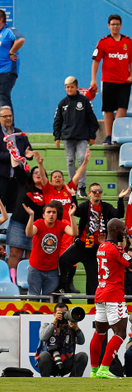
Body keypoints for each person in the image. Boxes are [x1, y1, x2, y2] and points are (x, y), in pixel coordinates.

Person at [89, 219, 132, 379]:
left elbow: (117, 258)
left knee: (99, 333)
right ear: (115, 229)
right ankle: (105, 368)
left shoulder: (102, 246)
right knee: (120, 332)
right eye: (123, 230)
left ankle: (94, 370)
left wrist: (126, 247)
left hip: (101, 293)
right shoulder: (114, 248)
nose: (124, 232)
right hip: (113, 295)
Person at [57, 183, 127, 298]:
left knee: (93, 280)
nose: (97, 193)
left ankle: (91, 305)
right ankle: (64, 285)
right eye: (94, 191)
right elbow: (76, 211)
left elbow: (118, 214)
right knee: (64, 259)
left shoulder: (106, 207)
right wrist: (73, 196)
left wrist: (120, 199)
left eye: (99, 191)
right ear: (89, 194)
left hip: (97, 248)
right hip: (82, 245)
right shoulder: (85, 206)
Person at [91, 14, 132, 145]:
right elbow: (96, 61)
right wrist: (93, 79)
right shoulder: (103, 41)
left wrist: (131, 75)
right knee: (108, 109)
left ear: (121, 25)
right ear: (108, 26)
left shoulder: (128, 41)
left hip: (124, 81)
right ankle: (109, 135)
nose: (115, 27)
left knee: (122, 108)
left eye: (117, 24)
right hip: (108, 80)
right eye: (113, 24)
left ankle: (116, 132)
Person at [53, 76, 100, 198]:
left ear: (76, 87)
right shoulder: (62, 103)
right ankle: (72, 186)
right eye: (67, 87)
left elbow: (92, 119)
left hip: (82, 137)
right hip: (68, 137)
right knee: (70, 161)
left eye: (72, 87)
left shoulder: (84, 101)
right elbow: (57, 121)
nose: (69, 89)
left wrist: (92, 136)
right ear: (65, 88)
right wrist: (57, 137)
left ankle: (82, 187)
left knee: (81, 159)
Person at [24, 202, 77, 297]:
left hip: (52, 270)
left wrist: (71, 216)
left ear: (57, 215)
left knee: (48, 300)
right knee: (33, 297)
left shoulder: (60, 225)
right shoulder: (39, 223)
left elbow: (74, 232)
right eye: (48, 212)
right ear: (43, 215)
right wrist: (31, 216)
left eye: (54, 212)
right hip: (35, 269)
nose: (51, 214)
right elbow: (29, 233)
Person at [6, 155, 44, 284]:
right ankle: (11, 281)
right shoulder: (24, 183)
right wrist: (13, 152)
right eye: (35, 172)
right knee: (15, 254)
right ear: (31, 175)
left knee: (31, 256)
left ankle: (28, 282)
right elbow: (16, 166)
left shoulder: (48, 191)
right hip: (18, 224)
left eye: (40, 172)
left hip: (36, 226)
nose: (38, 174)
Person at [36, 303, 87, 377]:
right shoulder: (46, 325)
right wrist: (54, 322)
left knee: (82, 356)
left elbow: (81, 341)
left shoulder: (71, 328)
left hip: (66, 362)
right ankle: (45, 382)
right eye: (60, 313)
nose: (63, 315)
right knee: (43, 355)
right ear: (54, 314)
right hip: (50, 363)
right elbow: (43, 337)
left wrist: (76, 329)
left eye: (65, 313)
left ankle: (73, 382)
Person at [0, 105, 32, 212]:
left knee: (14, 209)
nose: (8, 118)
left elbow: (28, 149)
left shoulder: (18, 133)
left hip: (17, 178)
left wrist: (28, 154)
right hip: (2, 178)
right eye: (5, 116)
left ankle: (9, 229)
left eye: (10, 116)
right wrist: (12, 156)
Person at [0, 9, 25, 112]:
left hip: (7, 70)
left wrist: (12, 51)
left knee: (2, 95)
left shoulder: (8, 30)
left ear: (1, 19)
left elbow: (21, 39)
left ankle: (9, 127)